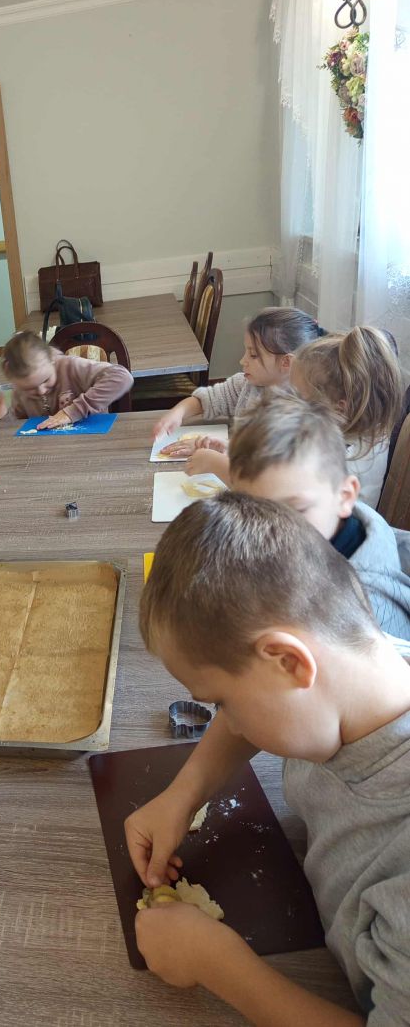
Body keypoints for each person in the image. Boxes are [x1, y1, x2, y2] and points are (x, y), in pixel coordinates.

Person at [127, 492, 410, 1025]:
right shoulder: (365, 668)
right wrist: (184, 794)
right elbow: (260, 705)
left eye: (222, 702)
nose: (228, 723)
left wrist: (218, 966)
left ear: (289, 661)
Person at [230, 391, 410, 638]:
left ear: (345, 496)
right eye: (252, 513)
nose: (269, 532)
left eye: (296, 510)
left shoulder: (363, 612)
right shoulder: (321, 525)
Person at [154, 307, 326, 483]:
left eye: (253, 355)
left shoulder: (301, 414)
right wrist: (179, 412)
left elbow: (265, 478)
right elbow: (208, 399)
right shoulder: (247, 385)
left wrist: (214, 461)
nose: (243, 361)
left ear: (286, 362)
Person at [290, 325, 403, 507]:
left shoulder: (341, 463)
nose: (288, 402)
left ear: (338, 409)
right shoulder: (364, 430)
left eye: (298, 396)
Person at [0, 330, 132, 428]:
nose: (41, 391)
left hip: (93, 443)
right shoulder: (19, 390)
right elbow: (22, 428)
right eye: (29, 388)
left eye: (46, 380)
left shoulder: (71, 366)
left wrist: (73, 411)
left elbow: (122, 376)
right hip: (50, 453)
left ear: (52, 359)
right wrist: (3, 418)